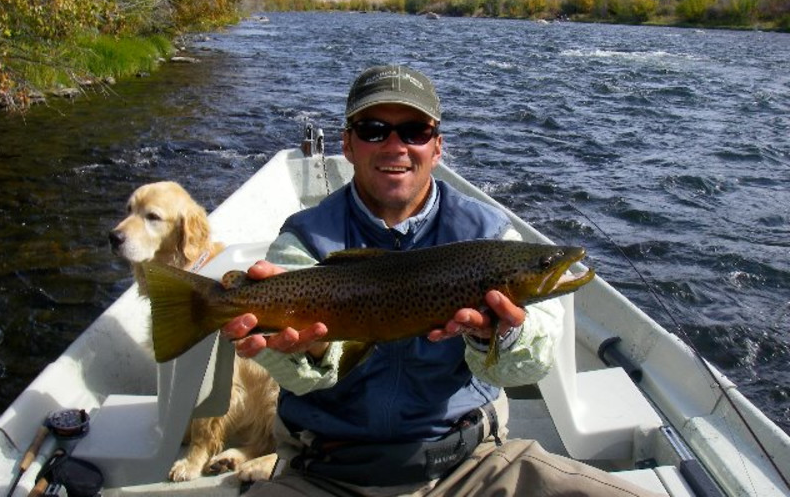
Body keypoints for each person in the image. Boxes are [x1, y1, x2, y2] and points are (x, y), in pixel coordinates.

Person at [223, 64, 666, 497]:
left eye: (415, 131)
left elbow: (535, 361)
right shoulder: (303, 239)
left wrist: (503, 335)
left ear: (437, 148)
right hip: (325, 473)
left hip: (473, 466)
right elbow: (301, 381)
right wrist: (316, 346)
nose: (395, 145)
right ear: (348, 144)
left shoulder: (491, 234)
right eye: (374, 129)